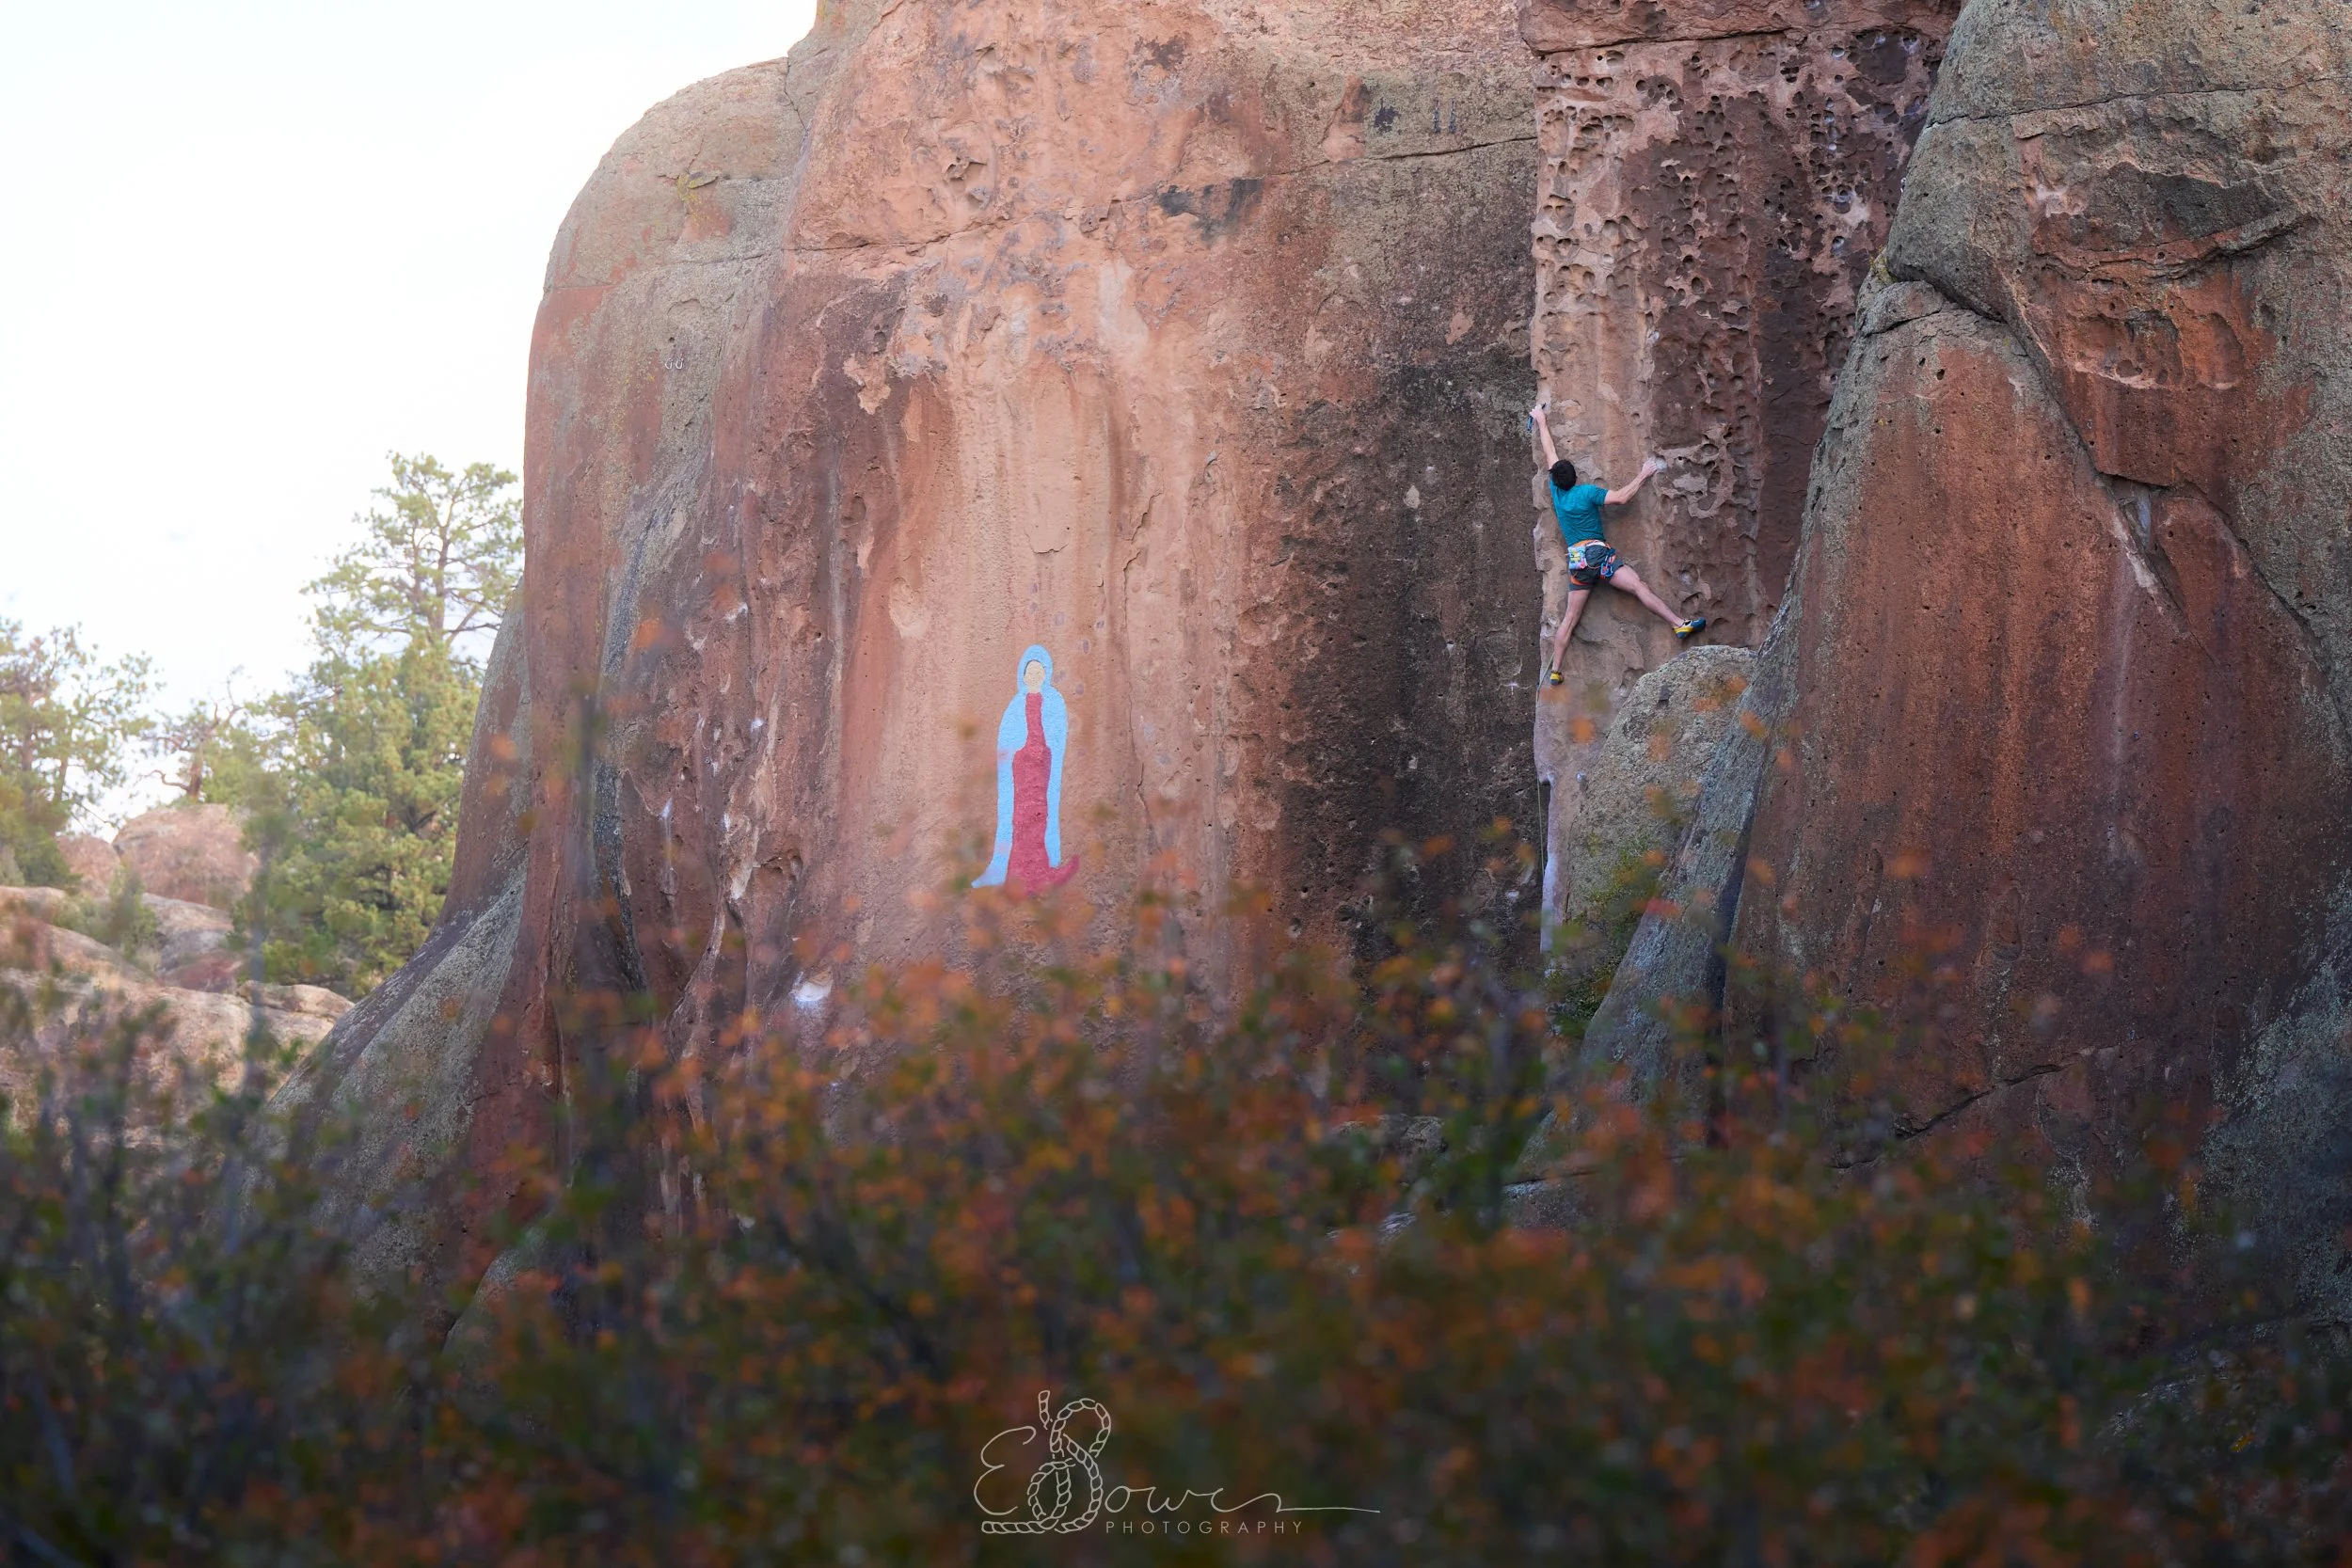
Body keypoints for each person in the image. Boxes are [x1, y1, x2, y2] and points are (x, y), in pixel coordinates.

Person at [1531, 397, 1704, 686]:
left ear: (1556, 479)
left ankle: (1556, 671)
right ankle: (1678, 625)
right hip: (1598, 556)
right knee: (1638, 586)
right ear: (1575, 477)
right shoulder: (1586, 493)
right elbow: (1621, 497)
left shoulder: (1557, 494)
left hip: (1578, 562)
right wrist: (1644, 474)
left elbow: (1550, 454)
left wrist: (1540, 420)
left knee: (1570, 619)